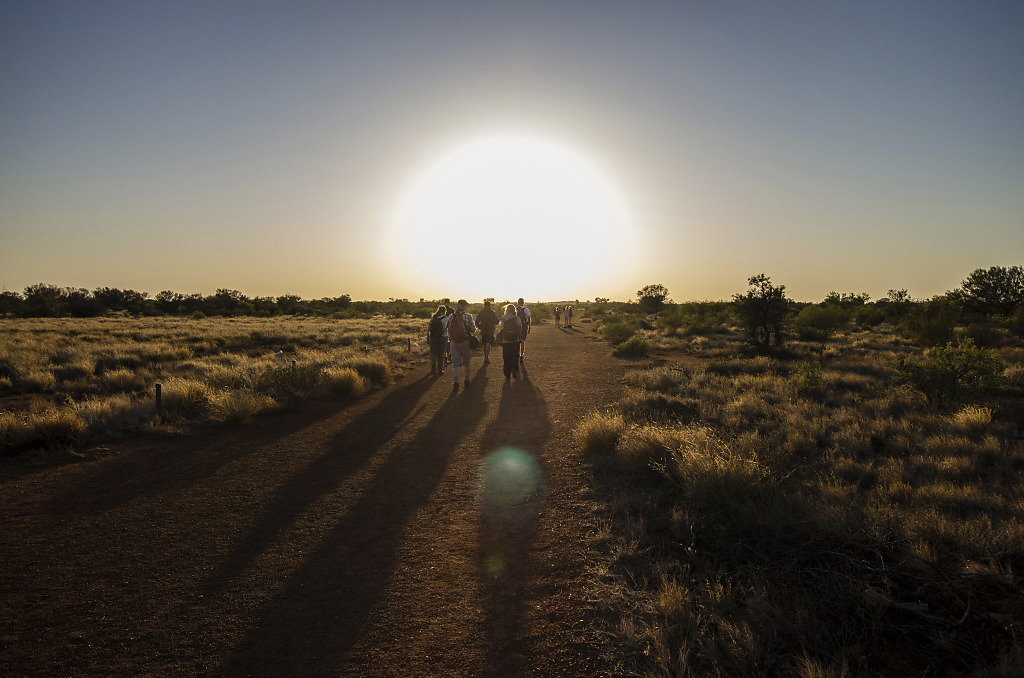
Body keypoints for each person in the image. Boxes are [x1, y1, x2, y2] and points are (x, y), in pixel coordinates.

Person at [447, 299, 477, 392]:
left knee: (455, 364)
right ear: (465, 307)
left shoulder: (451, 316)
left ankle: (456, 382)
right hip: (465, 341)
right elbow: (473, 329)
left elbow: (448, 329)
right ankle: (466, 380)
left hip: (454, 342)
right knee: (466, 362)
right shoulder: (468, 316)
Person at [499, 303, 522, 380]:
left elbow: (502, 329)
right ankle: (515, 369)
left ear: (507, 310)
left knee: (506, 357)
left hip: (506, 341)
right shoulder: (517, 318)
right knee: (515, 356)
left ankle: (507, 374)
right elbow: (520, 328)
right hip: (515, 340)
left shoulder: (504, 319)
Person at [475, 300, 499, 365]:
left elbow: (476, 322)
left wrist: (480, 327)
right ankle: (486, 357)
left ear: (484, 305)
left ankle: (486, 357)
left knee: (484, 343)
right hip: (491, 330)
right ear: (489, 305)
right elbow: (497, 322)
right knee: (488, 343)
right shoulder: (493, 312)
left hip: (483, 330)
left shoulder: (481, 313)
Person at [426, 306, 448, 375]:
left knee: (433, 354)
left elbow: (429, 328)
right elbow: (448, 329)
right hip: (443, 338)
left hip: (432, 337)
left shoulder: (434, 317)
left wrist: (428, 337)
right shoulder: (446, 319)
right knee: (441, 354)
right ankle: (440, 370)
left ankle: (433, 368)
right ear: (445, 311)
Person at [516, 298, 532, 363]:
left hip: (517, 327)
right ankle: (521, 355)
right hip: (524, 327)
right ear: (523, 302)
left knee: (517, 341)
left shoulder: (516, 309)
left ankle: (517, 354)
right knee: (522, 341)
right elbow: (529, 318)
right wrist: (529, 327)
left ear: (518, 303)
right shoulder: (526, 309)